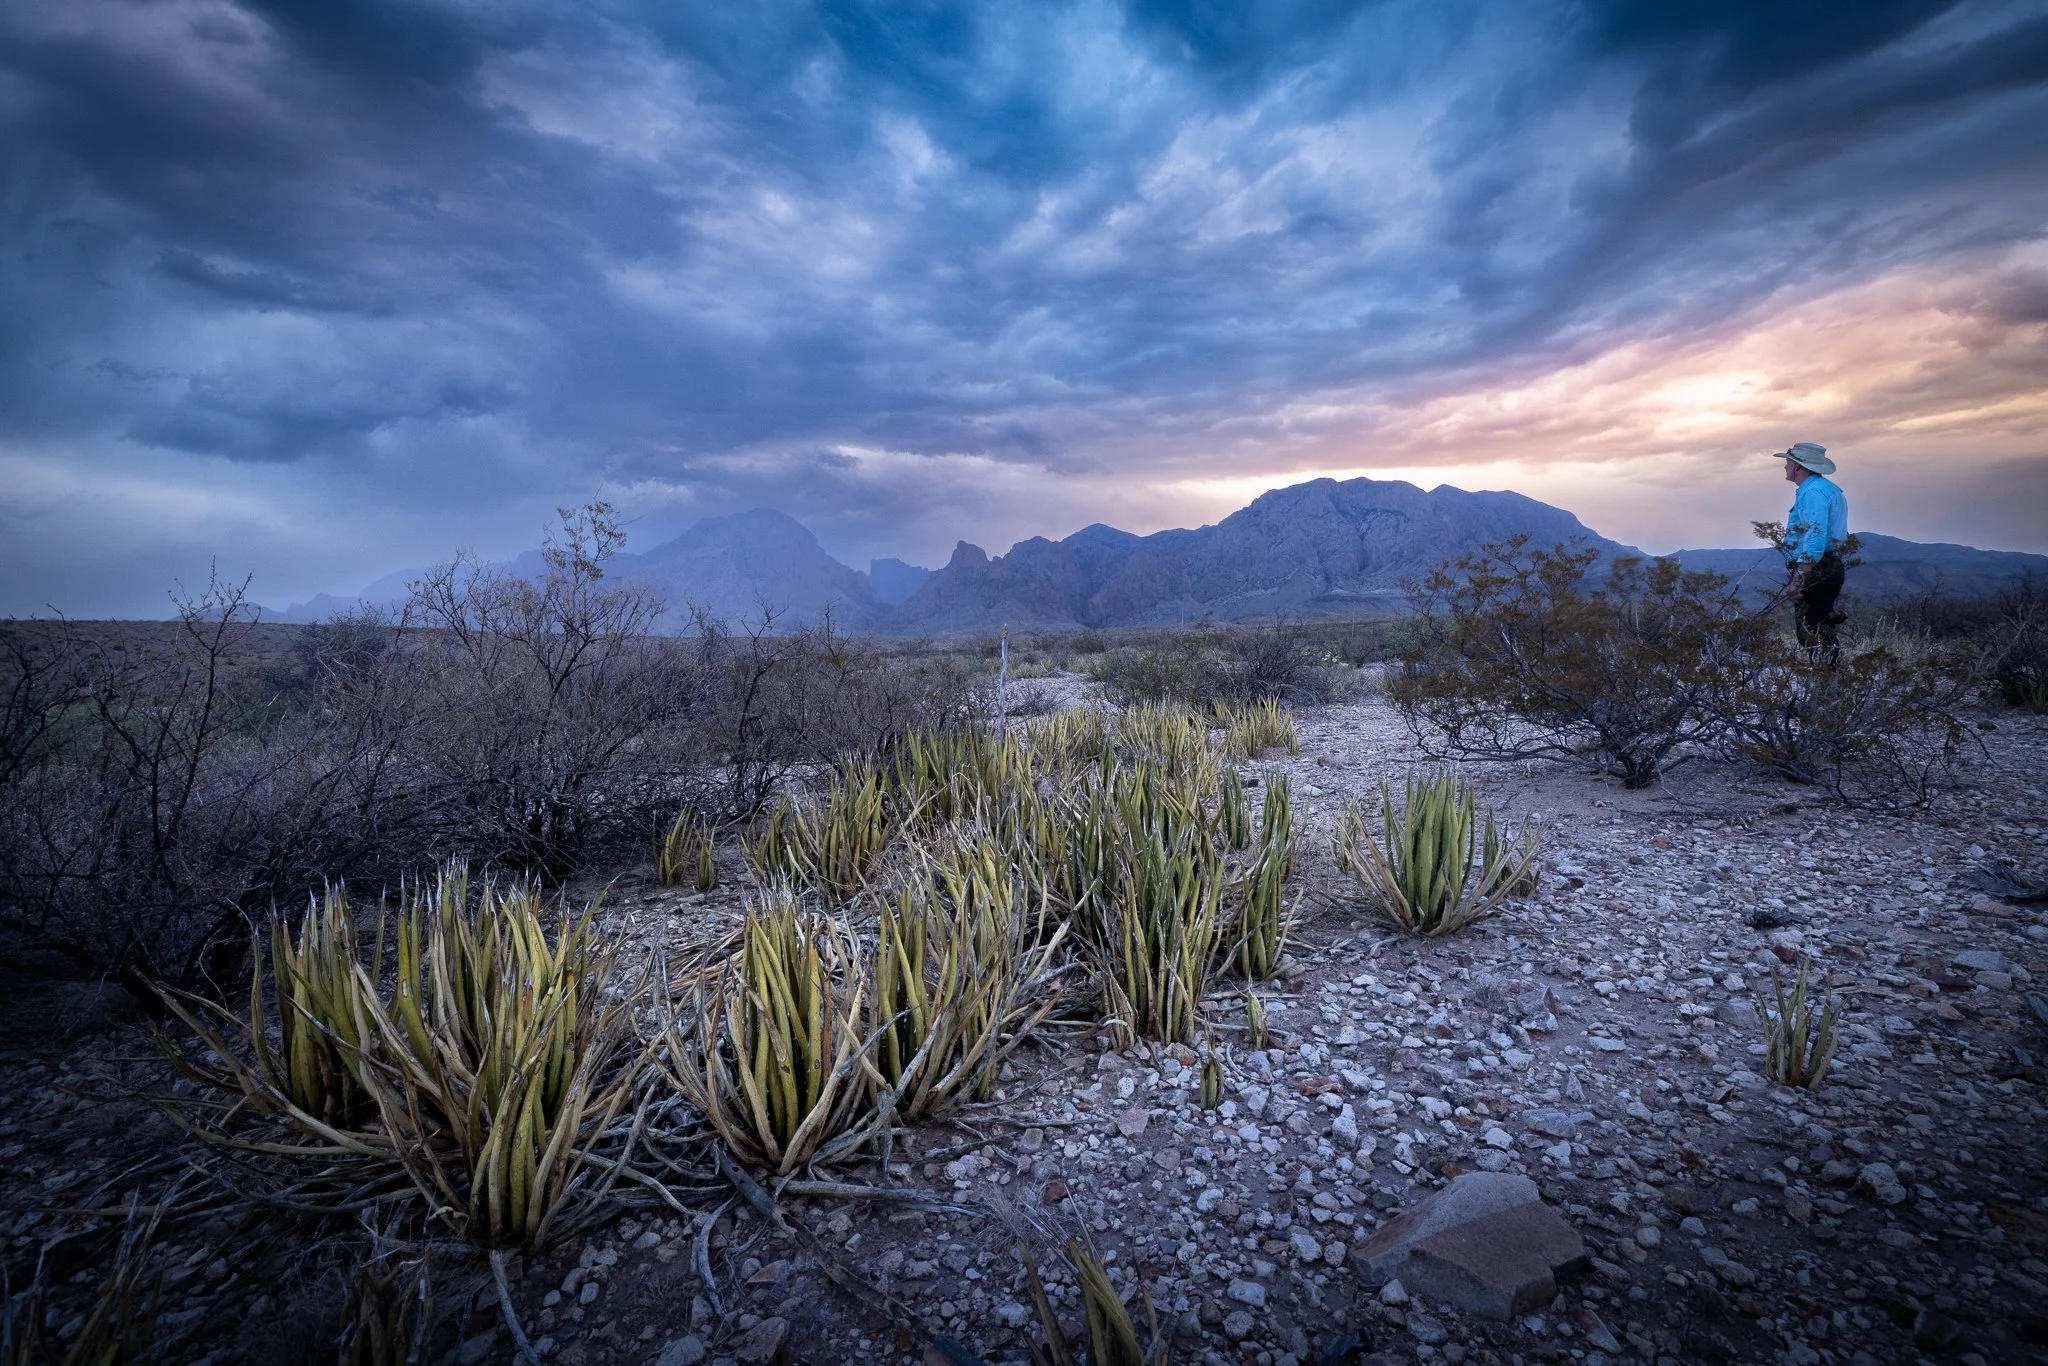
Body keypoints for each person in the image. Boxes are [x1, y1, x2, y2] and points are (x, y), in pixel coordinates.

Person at [1775, 441, 1848, 664]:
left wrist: (1799, 577)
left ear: (1798, 466)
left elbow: (1815, 537)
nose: (1785, 466)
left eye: (1788, 462)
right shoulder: (1825, 489)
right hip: (1826, 566)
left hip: (1818, 568)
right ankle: (1829, 684)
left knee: (1812, 633)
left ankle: (1826, 687)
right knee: (1819, 628)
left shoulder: (1813, 492)